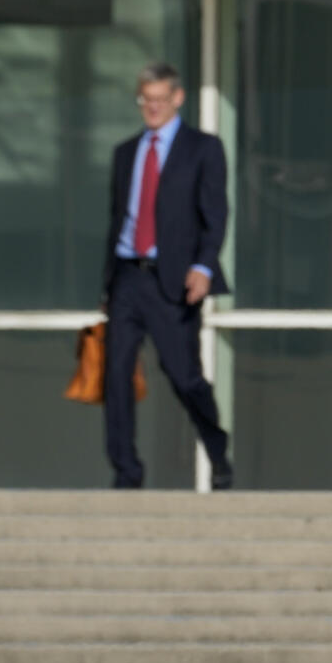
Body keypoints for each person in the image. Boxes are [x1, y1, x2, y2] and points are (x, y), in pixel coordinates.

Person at [100, 61, 233, 491]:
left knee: (183, 376)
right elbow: (117, 218)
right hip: (127, 276)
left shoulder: (204, 148)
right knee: (116, 374)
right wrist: (108, 286)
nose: (152, 107)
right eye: (146, 100)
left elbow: (216, 214)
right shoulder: (125, 153)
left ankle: (216, 449)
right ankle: (126, 472)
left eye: (160, 99)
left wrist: (203, 268)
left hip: (174, 281)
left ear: (177, 98)